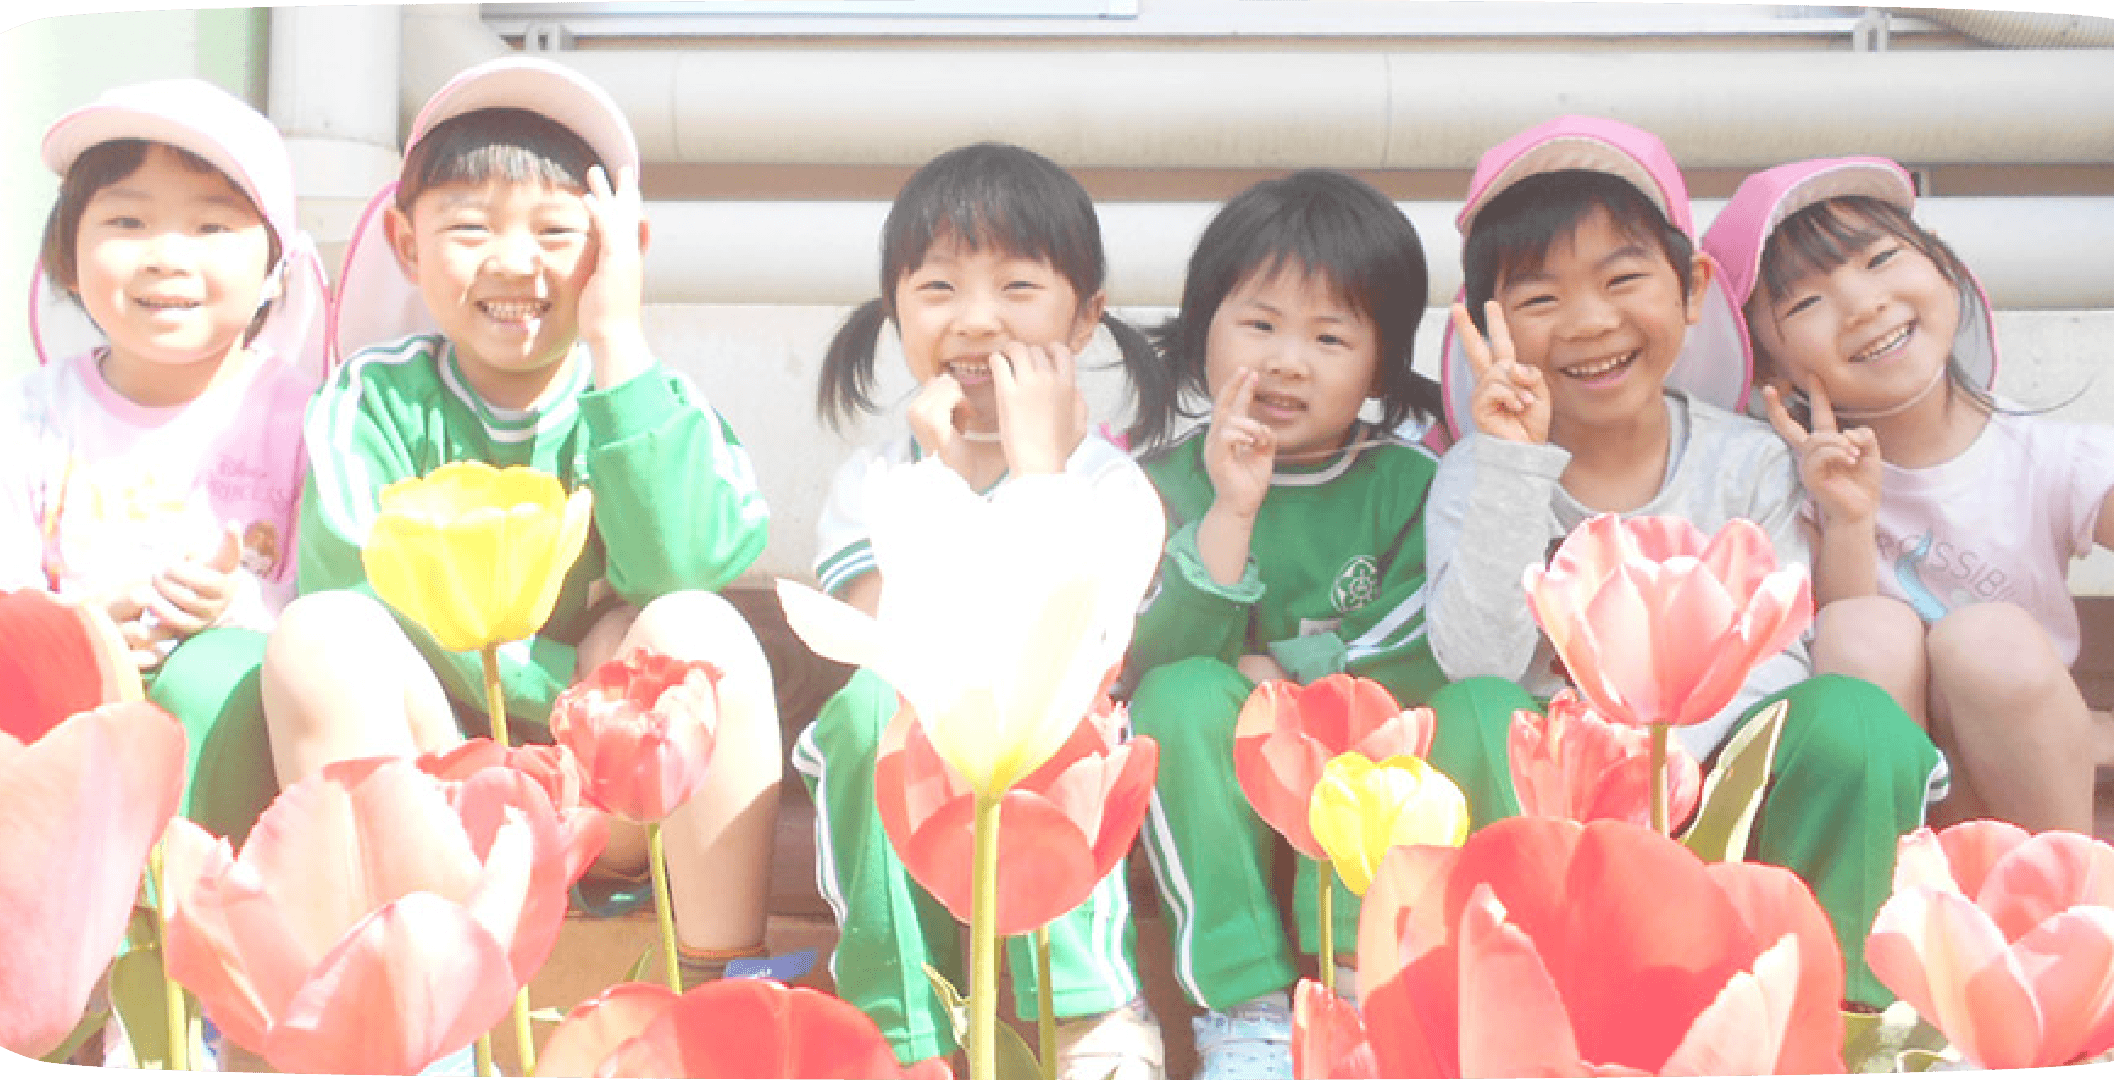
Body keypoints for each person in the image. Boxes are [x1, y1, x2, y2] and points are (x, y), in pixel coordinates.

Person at [265, 57, 783, 986]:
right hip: (434, 787)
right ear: (405, 243)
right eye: (469, 227)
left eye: (555, 230)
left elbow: (690, 563)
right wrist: (556, 702)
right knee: (320, 633)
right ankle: (394, 994)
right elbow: (358, 574)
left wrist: (617, 340)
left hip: (609, 807)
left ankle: (717, 992)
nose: (513, 262)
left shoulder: (649, 400)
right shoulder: (372, 402)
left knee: (690, 627)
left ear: (621, 249)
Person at [1421, 116, 1940, 1009]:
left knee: (1854, 718)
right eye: (1540, 299)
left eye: (1624, 280)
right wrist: (1511, 464)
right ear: (1485, 326)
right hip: (1562, 816)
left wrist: (1666, 769)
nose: (1591, 322)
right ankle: (1524, 1002)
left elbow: (1780, 654)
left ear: (1694, 287)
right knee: (1470, 712)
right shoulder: (1478, 473)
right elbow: (1478, 663)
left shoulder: (1750, 465)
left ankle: (1846, 1015)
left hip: (1728, 797)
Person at [1700, 156, 2114, 834]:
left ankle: (2056, 879)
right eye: (1805, 303)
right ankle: (1889, 876)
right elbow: (1845, 664)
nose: (1864, 305)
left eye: (1881, 259)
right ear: (1770, 370)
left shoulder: (2050, 460)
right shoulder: (1784, 481)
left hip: (2022, 796)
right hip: (1894, 809)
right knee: (1862, 627)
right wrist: (1848, 518)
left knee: (1985, 639)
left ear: (1947, 273)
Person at [795, 141, 1166, 1080]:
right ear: (896, 313)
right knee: (867, 714)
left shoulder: (1111, 487)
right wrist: (944, 480)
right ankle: (899, 1036)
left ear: (1086, 317)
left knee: (1066, 724)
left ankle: (1086, 1017)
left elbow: (1072, 646)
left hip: (1044, 744)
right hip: (918, 745)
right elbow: (892, 644)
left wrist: (1039, 473)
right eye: (938, 288)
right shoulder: (875, 483)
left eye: (1017, 286)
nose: (976, 319)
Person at [0, 78, 326, 842]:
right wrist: (73, 636)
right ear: (67, 258)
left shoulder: (311, 423)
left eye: (211, 226)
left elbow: (341, 611)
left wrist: (237, 610)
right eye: (128, 221)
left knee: (213, 675)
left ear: (276, 266)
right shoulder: (20, 424)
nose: (166, 256)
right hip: (63, 773)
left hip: (240, 776)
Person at [1121, 169, 1446, 1080]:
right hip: (1215, 786)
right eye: (1260, 325)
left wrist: (1297, 678)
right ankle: (1246, 1016)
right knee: (1180, 695)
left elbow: (1422, 642)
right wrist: (1230, 510)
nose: (1289, 362)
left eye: (1331, 337)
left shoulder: (1408, 484)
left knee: (1364, 710)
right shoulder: (1157, 485)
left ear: (1382, 363)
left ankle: (1358, 988)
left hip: (1354, 808)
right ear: (1203, 329)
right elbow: (1152, 662)